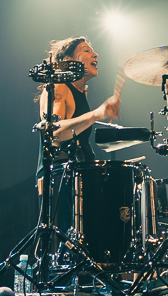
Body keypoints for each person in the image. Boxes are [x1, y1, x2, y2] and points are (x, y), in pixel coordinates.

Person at [35, 36, 120, 194]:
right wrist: (95, 115)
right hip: (59, 178)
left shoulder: (81, 92)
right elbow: (54, 133)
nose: (95, 55)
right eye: (86, 51)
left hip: (79, 174)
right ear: (68, 60)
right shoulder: (59, 86)